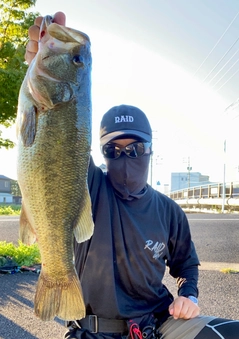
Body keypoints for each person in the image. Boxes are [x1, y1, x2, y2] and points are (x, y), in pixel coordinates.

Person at [25, 13, 239, 339]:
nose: (125, 156)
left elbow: (186, 265)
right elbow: (58, 148)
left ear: (151, 150)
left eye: (135, 148)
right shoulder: (90, 187)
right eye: (113, 150)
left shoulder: (169, 211)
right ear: (101, 154)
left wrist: (188, 296)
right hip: (92, 330)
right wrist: (38, 64)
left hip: (159, 325)